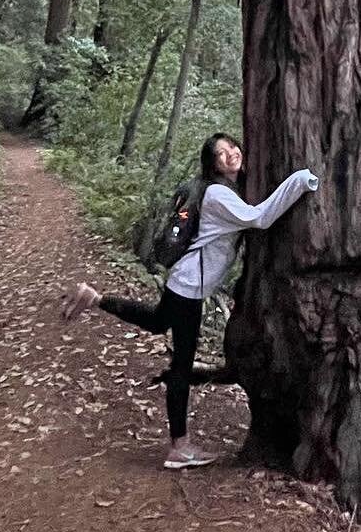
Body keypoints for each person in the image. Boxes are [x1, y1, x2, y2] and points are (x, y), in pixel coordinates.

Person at [61, 132, 317, 469]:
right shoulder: (217, 195)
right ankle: (179, 446)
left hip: (185, 281)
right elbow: (261, 217)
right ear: (212, 165)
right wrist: (302, 179)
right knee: (181, 366)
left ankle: (94, 298)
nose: (230, 155)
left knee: (156, 321)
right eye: (221, 153)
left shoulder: (227, 191)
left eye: (233, 148)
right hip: (190, 287)